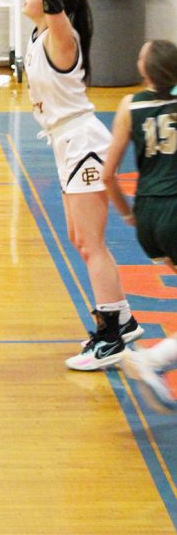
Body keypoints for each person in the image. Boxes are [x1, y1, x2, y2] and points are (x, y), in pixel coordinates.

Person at [0, 0, 140, 370]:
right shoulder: (40, 29)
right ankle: (122, 319)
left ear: (56, 7)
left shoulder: (62, 37)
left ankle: (111, 336)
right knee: (82, 241)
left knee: (91, 243)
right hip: (66, 145)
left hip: (83, 145)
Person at [102, 40, 177, 409]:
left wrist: (129, 214)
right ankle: (152, 360)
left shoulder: (129, 105)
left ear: (146, 71)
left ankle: (155, 361)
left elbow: (107, 175)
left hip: (148, 215)